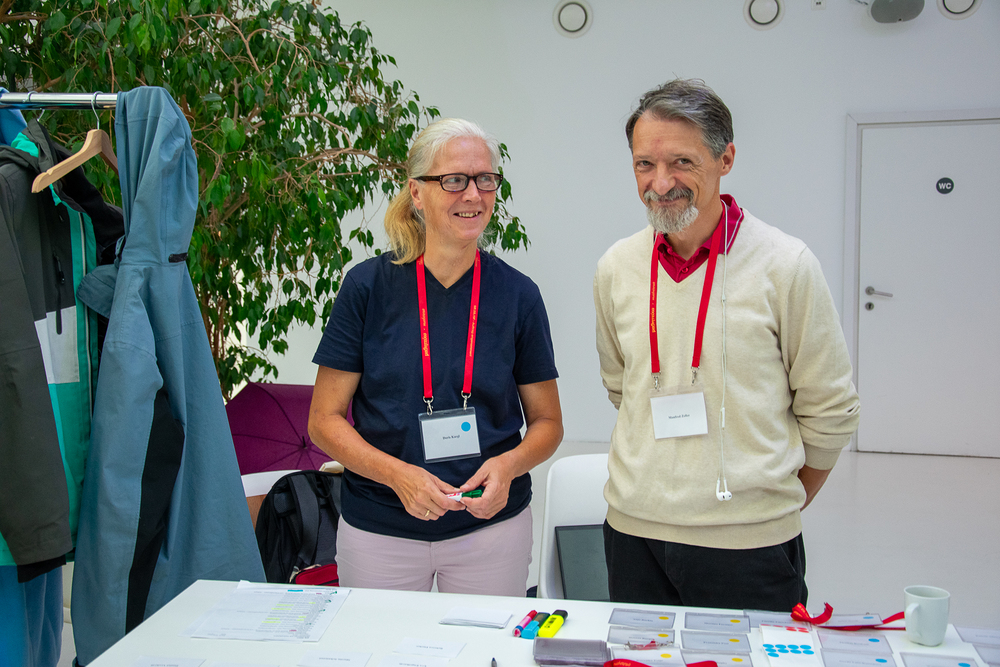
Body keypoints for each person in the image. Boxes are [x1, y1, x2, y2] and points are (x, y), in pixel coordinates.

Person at [593, 79, 860, 611]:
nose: (660, 183)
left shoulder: (785, 265)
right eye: (645, 164)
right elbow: (623, 388)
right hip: (633, 533)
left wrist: (766, 506)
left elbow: (830, 409)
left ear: (726, 159)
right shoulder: (616, 266)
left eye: (682, 162)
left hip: (749, 545)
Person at [308, 117, 563, 596]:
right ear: (417, 193)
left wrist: (508, 467)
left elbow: (548, 423)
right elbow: (323, 420)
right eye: (454, 180)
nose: (473, 194)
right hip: (381, 528)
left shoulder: (518, 295)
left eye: (485, 179)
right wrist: (397, 476)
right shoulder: (366, 288)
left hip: (489, 528)